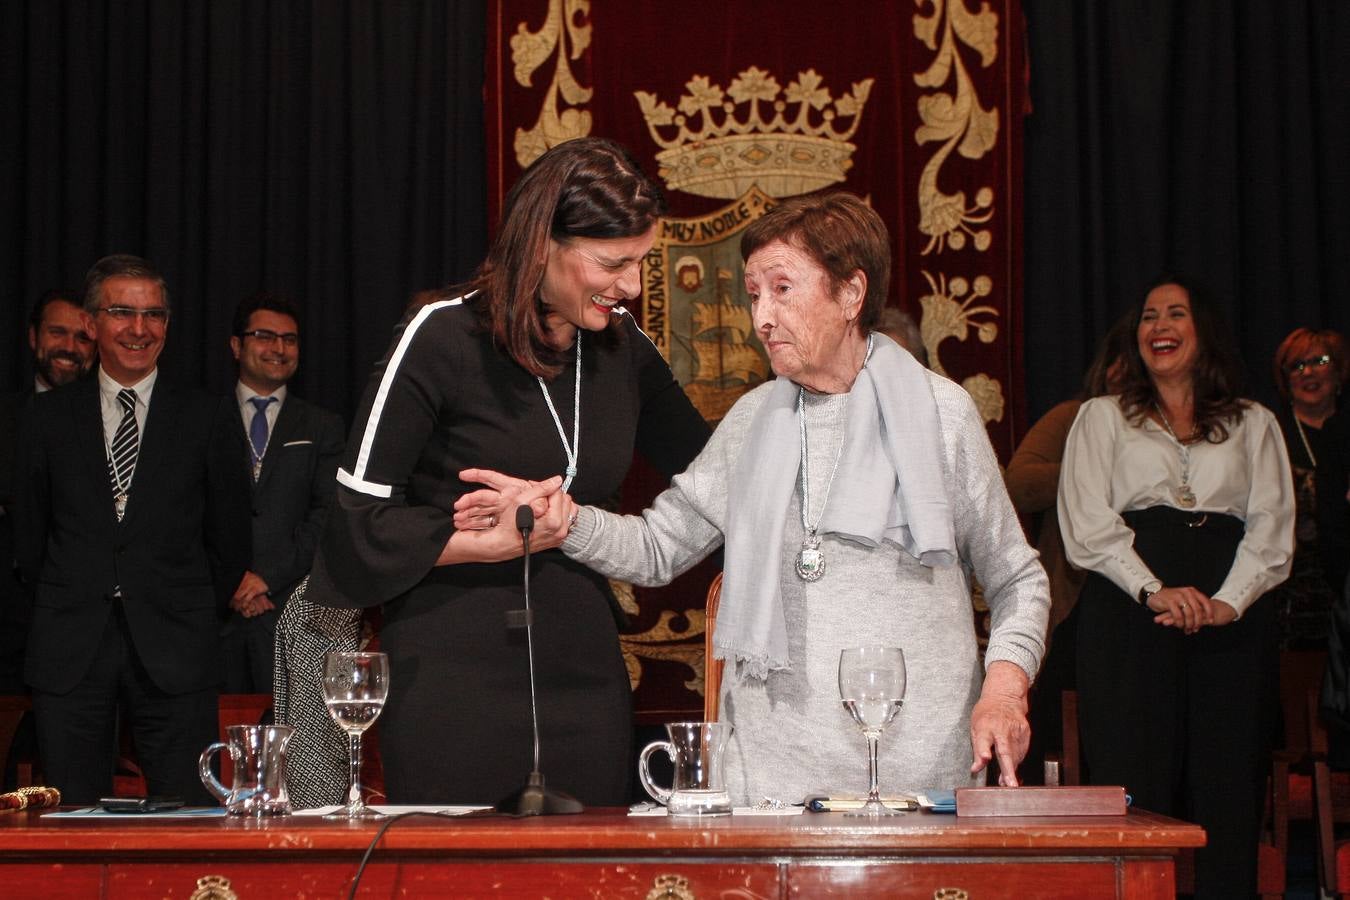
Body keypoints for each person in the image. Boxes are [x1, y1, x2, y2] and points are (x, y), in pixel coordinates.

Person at [469, 192, 1049, 803]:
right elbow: (657, 547)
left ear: (851, 295)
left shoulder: (942, 415)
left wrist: (1005, 690)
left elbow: (1019, 579)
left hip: (919, 776)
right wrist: (563, 520)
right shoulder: (750, 422)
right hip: (770, 785)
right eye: (753, 295)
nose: (761, 318)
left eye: (782, 289)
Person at [305, 137, 710, 805]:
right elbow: (355, 523)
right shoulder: (440, 336)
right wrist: (484, 542)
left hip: (585, 672)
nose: (632, 286)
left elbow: (711, 472)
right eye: (614, 263)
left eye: (642, 263)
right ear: (544, 244)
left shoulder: (623, 349)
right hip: (450, 675)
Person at [1058, 276, 1294, 899]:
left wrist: (1227, 602)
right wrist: (1152, 589)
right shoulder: (1101, 417)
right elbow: (1087, 525)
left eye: (1176, 313)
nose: (1159, 325)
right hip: (1129, 617)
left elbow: (1272, 531)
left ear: (1204, 331)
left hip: (1232, 629)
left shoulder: (1255, 422)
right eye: (1148, 316)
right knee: (1135, 789)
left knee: (1229, 792)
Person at [12, 254, 251, 805]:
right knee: (70, 815)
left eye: (154, 315)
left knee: (188, 819)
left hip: (177, 646)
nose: (139, 329)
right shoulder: (46, 418)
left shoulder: (206, 415)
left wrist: (187, 604)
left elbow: (231, 538)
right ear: (92, 324)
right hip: (70, 647)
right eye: (122, 312)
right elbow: (29, 537)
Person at [1006, 312, 1133, 781]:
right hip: (1084, 598)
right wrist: (1095, 469)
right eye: (1121, 360)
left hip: (1159, 602)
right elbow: (1020, 482)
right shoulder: (1074, 417)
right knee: (1063, 739)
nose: (1128, 372)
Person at [221, 293, 344, 694]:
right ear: (237, 345)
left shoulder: (322, 425)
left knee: (293, 747)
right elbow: (188, 510)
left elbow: (327, 515)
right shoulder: (204, 417)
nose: (278, 348)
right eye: (265, 336)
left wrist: (265, 579)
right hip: (215, 616)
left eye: (289, 340)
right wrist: (232, 581)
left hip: (290, 611)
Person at [1267, 328, 1350, 650]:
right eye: (1297, 366)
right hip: (1292, 595)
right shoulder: (1273, 435)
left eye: (1319, 361)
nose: (1309, 372)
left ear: (1338, 370)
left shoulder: (1343, 430)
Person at [28, 289, 97, 392]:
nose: (69, 348)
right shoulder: (6, 407)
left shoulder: (114, 408)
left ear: (96, 349)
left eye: (83, 338)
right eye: (57, 333)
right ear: (33, 337)